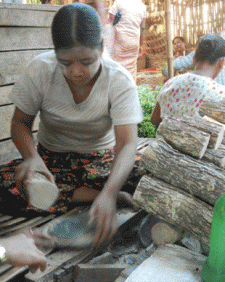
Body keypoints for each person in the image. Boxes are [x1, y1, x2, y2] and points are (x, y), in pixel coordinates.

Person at [0, 3, 144, 247]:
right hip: (51, 162)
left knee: (144, 176)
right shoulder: (40, 70)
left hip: (100, 162)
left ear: (101, 48)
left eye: (87, 61)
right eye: (65, 62)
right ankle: (97, 196)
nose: (76, 71)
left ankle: (101, 194)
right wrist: (31, 158)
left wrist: (111, 189)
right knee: (7, 183)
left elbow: (127, 143)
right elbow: (20, 123)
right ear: (55, 53)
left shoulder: (118, 80)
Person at [151, 34, 225, 127]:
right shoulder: (221, 94)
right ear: (222, 63)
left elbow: (154, 120)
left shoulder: (170, 83)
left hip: (165, 140)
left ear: (193, 60)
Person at [108, 0, 146, 81]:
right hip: (134, 41)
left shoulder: (119, 2)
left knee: (117, 67)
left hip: (120, 39)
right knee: (131, 70)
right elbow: (142, 27)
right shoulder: (142, 6)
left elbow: (110, 20)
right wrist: (140, 44)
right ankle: (131, 91)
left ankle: (118, 91)